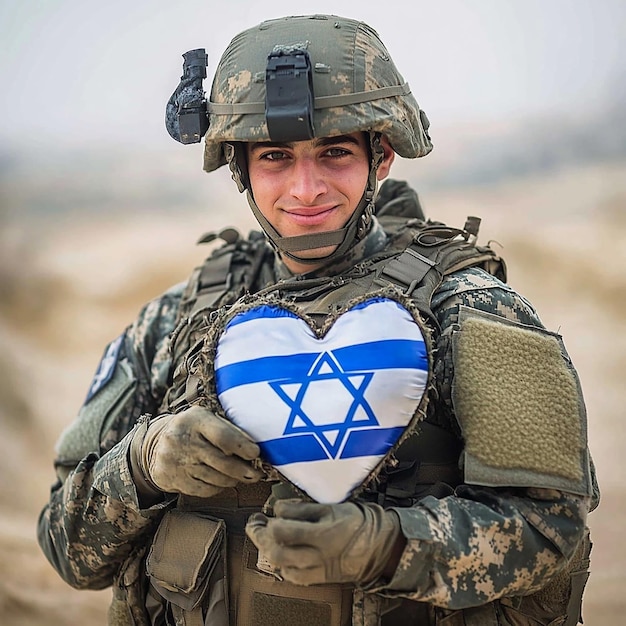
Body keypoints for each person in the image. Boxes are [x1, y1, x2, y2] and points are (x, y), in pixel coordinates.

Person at [38, 14, 598, 626]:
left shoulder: (472, 310)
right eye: (276, 157)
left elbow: (551, 531)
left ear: (380, 159)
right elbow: (69, 552)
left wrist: (387, 547)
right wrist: (142, 466)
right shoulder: (177, 318)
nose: (306, 189)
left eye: (334, 153)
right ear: (241, 170)